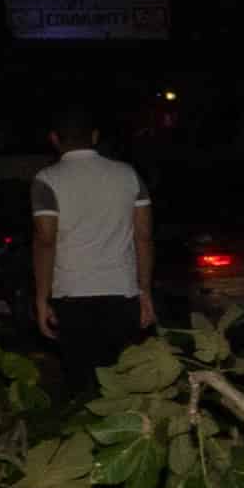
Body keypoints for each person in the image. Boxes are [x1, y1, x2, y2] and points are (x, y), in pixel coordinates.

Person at [29, 112, 149, 381]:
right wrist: (145, 291)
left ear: (54, 139)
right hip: (122, 292)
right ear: (94, 137)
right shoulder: (128, 175)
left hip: (72, 295)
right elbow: (143, 235)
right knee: (121, 383)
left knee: (83, 381)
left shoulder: (47, 180)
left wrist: (40, 298)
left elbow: (45, 239)